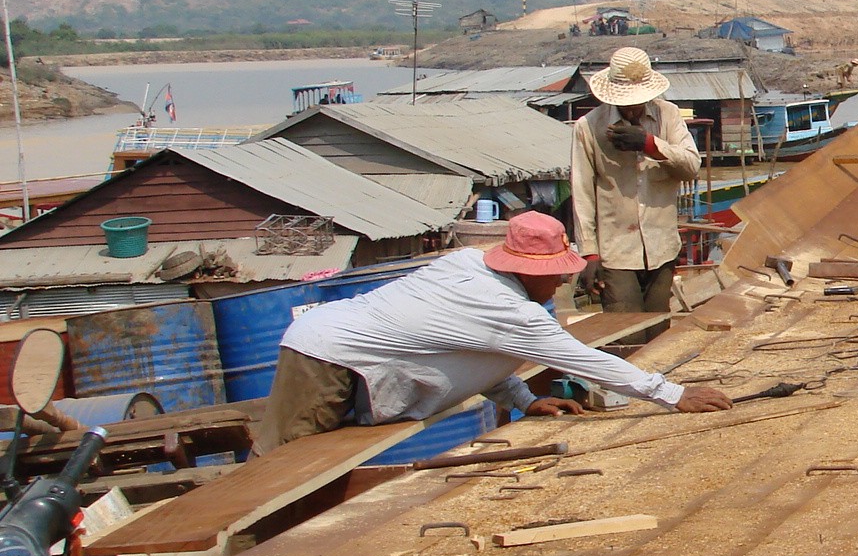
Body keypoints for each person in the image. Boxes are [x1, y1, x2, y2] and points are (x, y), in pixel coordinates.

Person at [252, 212, 733, 453]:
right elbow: (579, 359)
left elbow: (472, 351)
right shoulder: (505, 308)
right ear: (527, 268)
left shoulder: (472, 267)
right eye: (557, 271)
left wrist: (523, 401)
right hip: (327, 360)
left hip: (352, 360)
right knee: (280, 473)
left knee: (311, 470)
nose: (566, 279)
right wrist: (671, 393)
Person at [573, 47, 701, 316]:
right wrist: (589, 253)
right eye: (626, 102)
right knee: (626, 331)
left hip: (661, 246)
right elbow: (582, 193)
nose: (632, 108)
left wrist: (649, 144)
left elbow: (691, 166)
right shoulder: (589, 127)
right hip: (616, 249)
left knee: (657, 330)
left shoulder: (668, 115)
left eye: (638, 101)